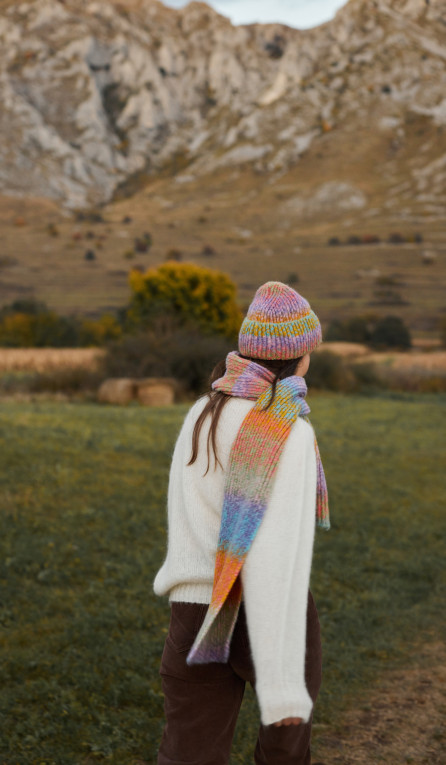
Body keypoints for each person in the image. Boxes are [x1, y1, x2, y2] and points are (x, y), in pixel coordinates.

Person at [153, 281, 331, 765]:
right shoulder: (288, 431)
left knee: (188, 753)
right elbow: (270, 554)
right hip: (264, 611)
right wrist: (281, 686)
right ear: (299, 355)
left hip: (192, 611)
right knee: (284, 750)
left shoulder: (201, 414)